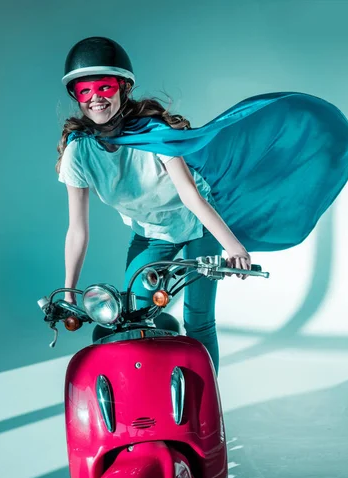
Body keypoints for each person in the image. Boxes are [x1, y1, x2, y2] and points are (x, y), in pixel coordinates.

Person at [57, 36, 252, 375]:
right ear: (76, 96)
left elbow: (191, 197)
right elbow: (78, 229)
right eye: (85, 90)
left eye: (104, 87)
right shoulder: (79, 151)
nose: (96, 98)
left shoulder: (154, 134)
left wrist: (233, 247)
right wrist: (70, 292)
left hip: (197, 226)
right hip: (151, 234)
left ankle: (207, 412)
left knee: (199, 319)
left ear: (123, 88)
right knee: (133, 316)